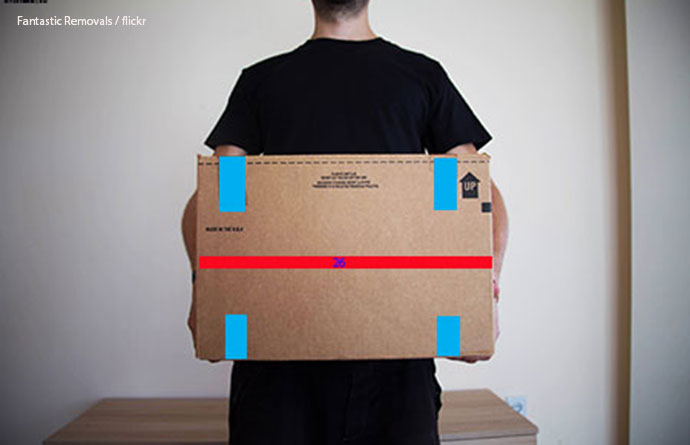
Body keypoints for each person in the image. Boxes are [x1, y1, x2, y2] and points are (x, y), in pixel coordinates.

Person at [181, 0, 509, 443]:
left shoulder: (424, 76)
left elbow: (475, 189)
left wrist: (484, 289)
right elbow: (216, 195)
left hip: (397, 360)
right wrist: (207, 287)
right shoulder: (260, 80)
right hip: (280, 364)